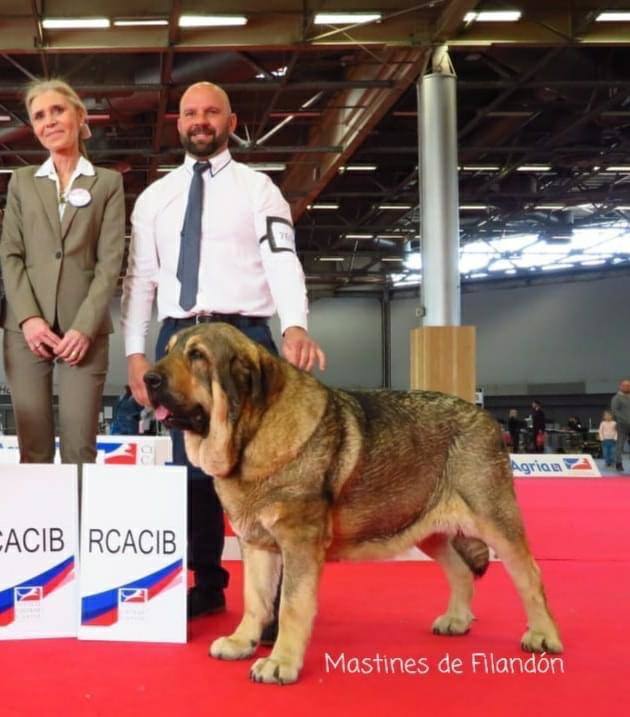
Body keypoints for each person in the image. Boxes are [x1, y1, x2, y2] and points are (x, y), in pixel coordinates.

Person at [121, 82, 326, 624]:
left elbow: (283, 260)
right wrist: (134, 354)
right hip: (177, 345)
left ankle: (278, 603)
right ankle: (206, 584)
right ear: (178, 123)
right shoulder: (153, 200)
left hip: (246, 344)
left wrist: (295, 326)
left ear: (231, 121)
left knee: (265, 472)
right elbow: (140, 281)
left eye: (211, 112)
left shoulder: (260, 190)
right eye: (191, 113)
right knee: (194, 472)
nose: (201, 121)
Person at [0, 78, 124, 463]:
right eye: (39, 116)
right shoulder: (22, 182)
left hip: (83, 332)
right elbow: (11, 255)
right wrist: (30, 319)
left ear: (79, 115)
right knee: (32, 448)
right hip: (26, 331)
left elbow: (110, 261)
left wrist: (84, 327)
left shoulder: (107, 183)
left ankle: (77, 523)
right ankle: (41, 525)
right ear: (34, 128)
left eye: (58, 110)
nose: (49, 121)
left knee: (79, 448)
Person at [611, 379, 630, 471]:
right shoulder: (616, 398)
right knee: (620, 444)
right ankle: (618, 463)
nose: (627, 387)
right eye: (625, 385)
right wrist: (623, 420)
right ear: (620, 386)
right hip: (622, 425)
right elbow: (614, 411)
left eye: (628, 385)